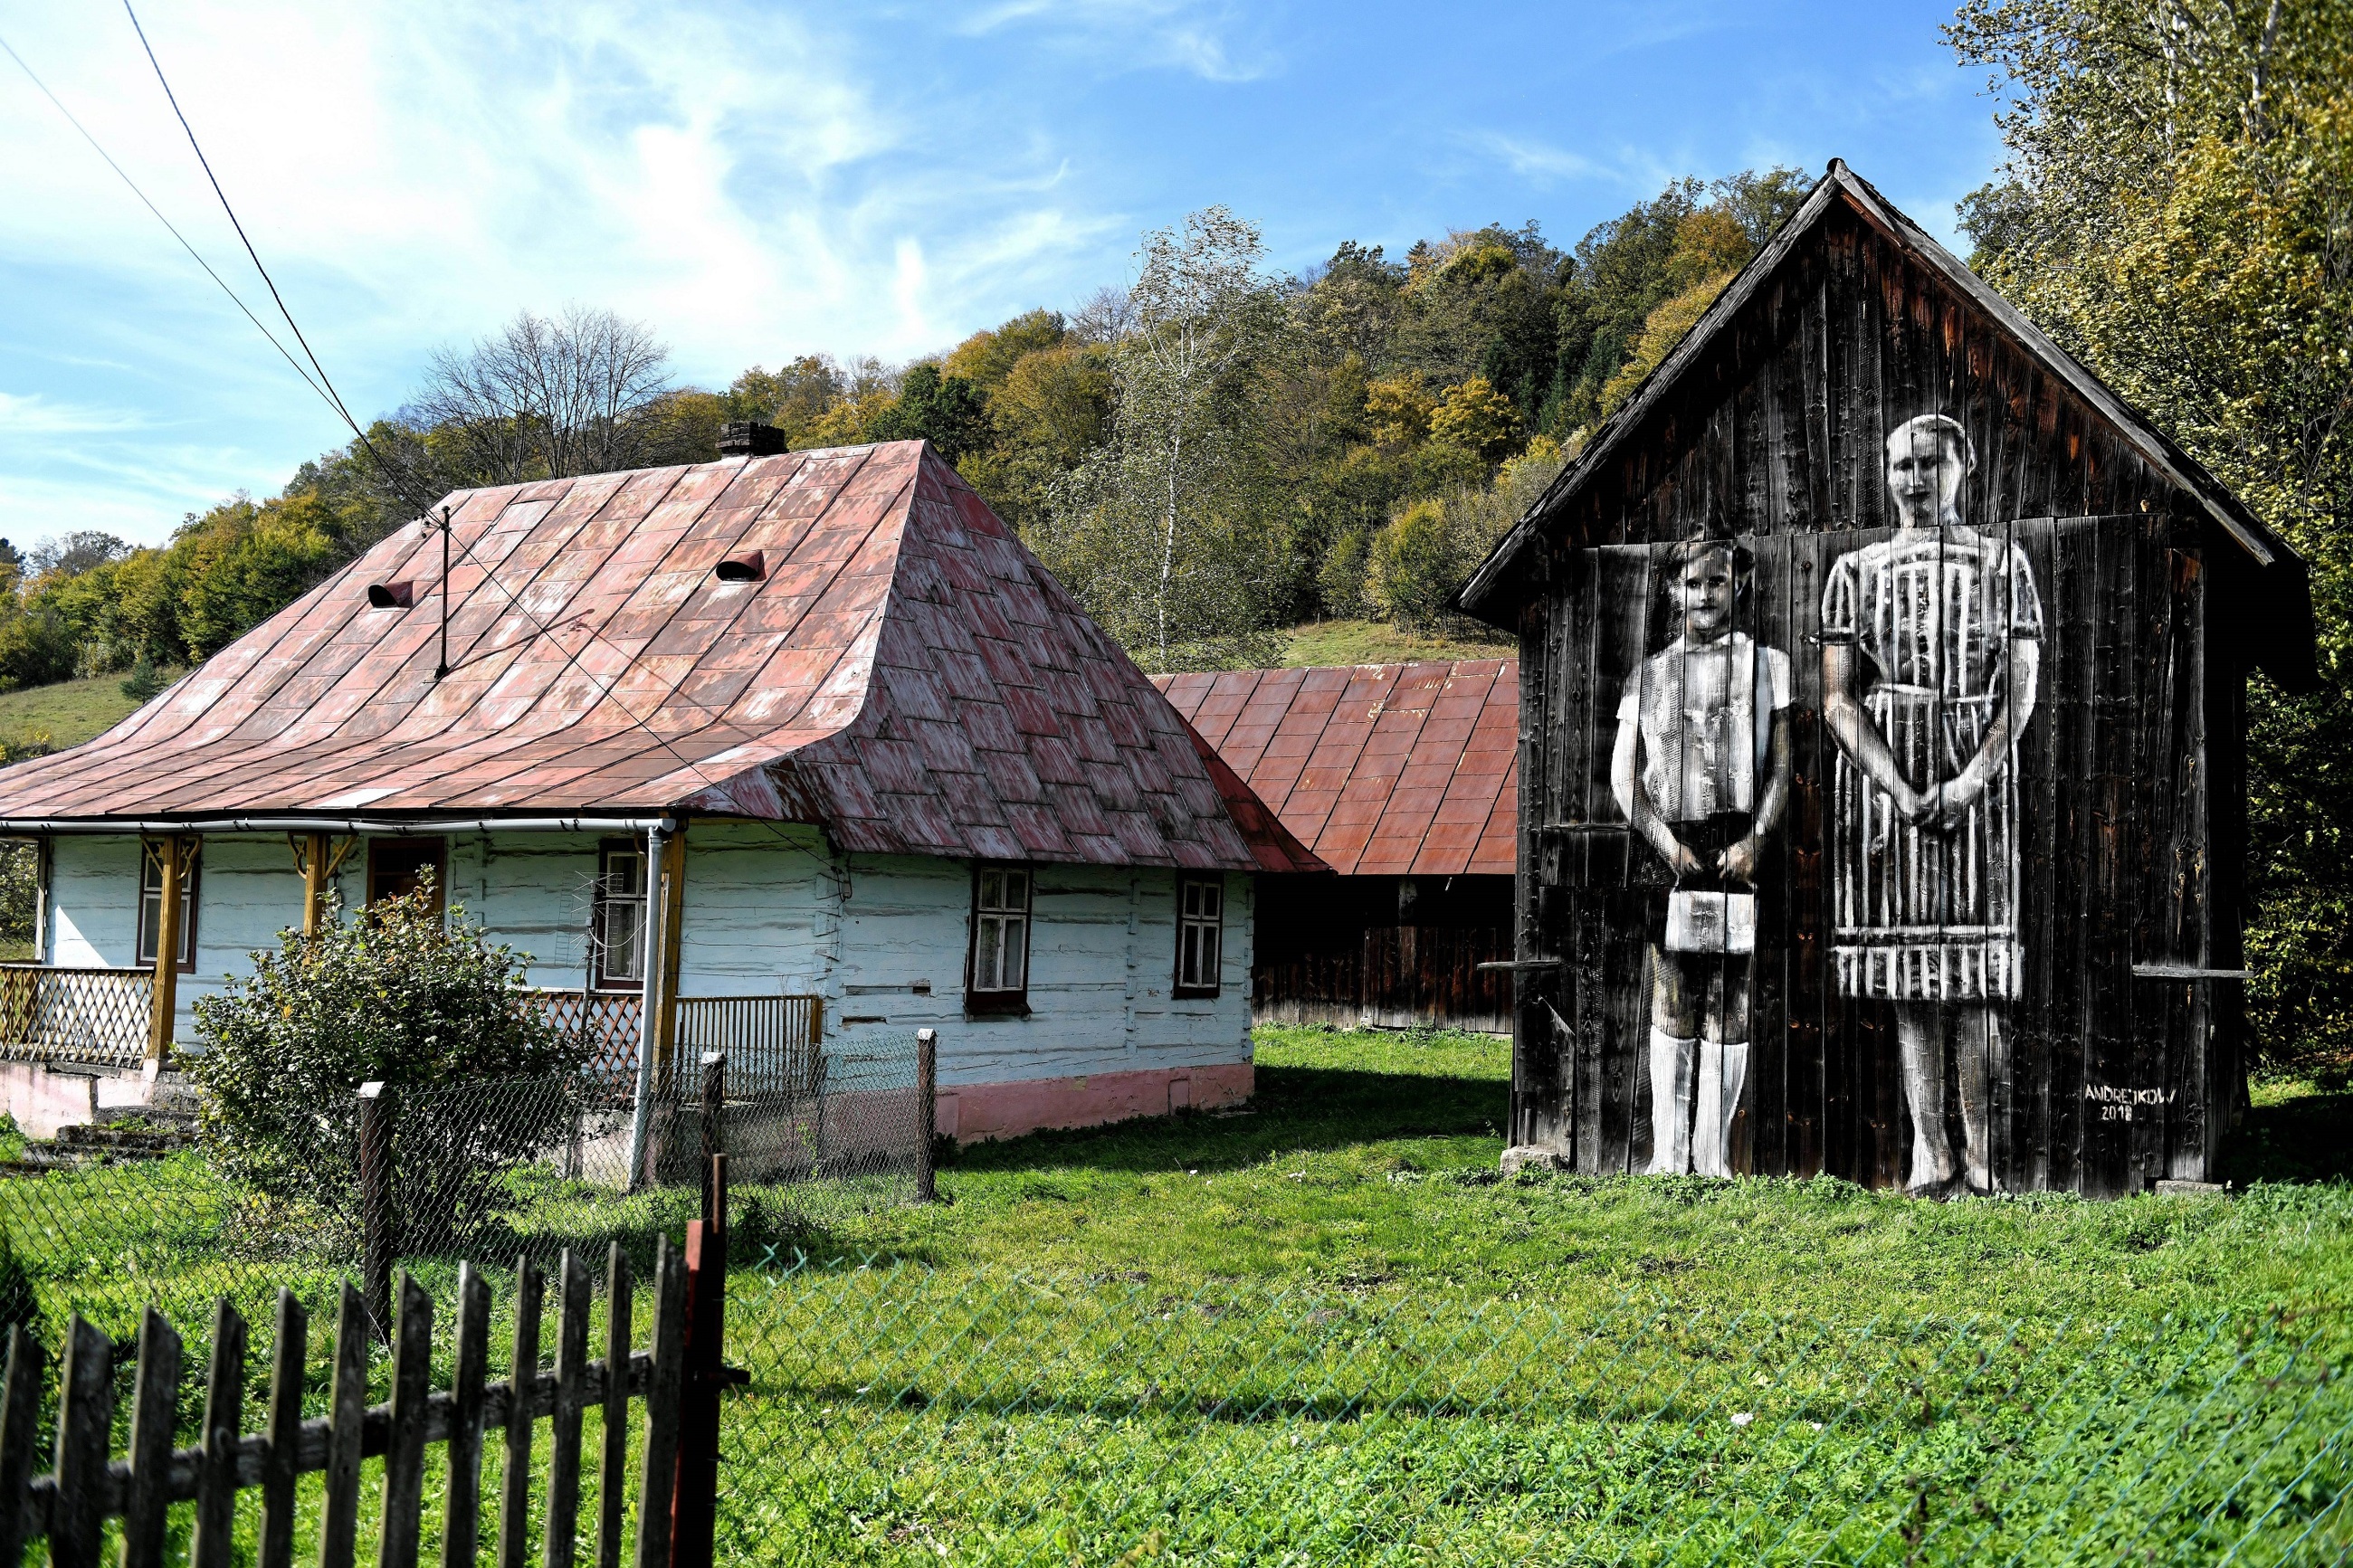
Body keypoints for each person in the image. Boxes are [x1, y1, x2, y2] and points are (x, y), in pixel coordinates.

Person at [1819, 413, 2043, 1195]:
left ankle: (1985, 1156)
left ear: (1963, 463)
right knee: (1912, 978)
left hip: (1976, 769)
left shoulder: (2001, 562)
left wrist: (1967, 782)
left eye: (1928, 462)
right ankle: (1930, 1150)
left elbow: (2019, 692)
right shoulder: (1856, 570)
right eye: (1900, 465)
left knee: (1976, 974)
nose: (1914, 479)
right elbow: (1840, 701)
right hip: (1888, 777)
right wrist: (1898, 785)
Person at [1612, 535, 1794, 1177]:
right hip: (1669, 849)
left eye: (1717, 581)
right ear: (1672, 591)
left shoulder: (1766, 664)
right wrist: (1666, 845)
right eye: (1694, 583)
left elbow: (1781, 767)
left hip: (1738, 845)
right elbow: (1622, 778)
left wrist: (1756, 841)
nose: (1706, 594)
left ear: (1737, 585)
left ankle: (1713, 1160)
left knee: (1731, 998)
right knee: (1672, 993)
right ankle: (1669, 1157)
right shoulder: (1650, 674)